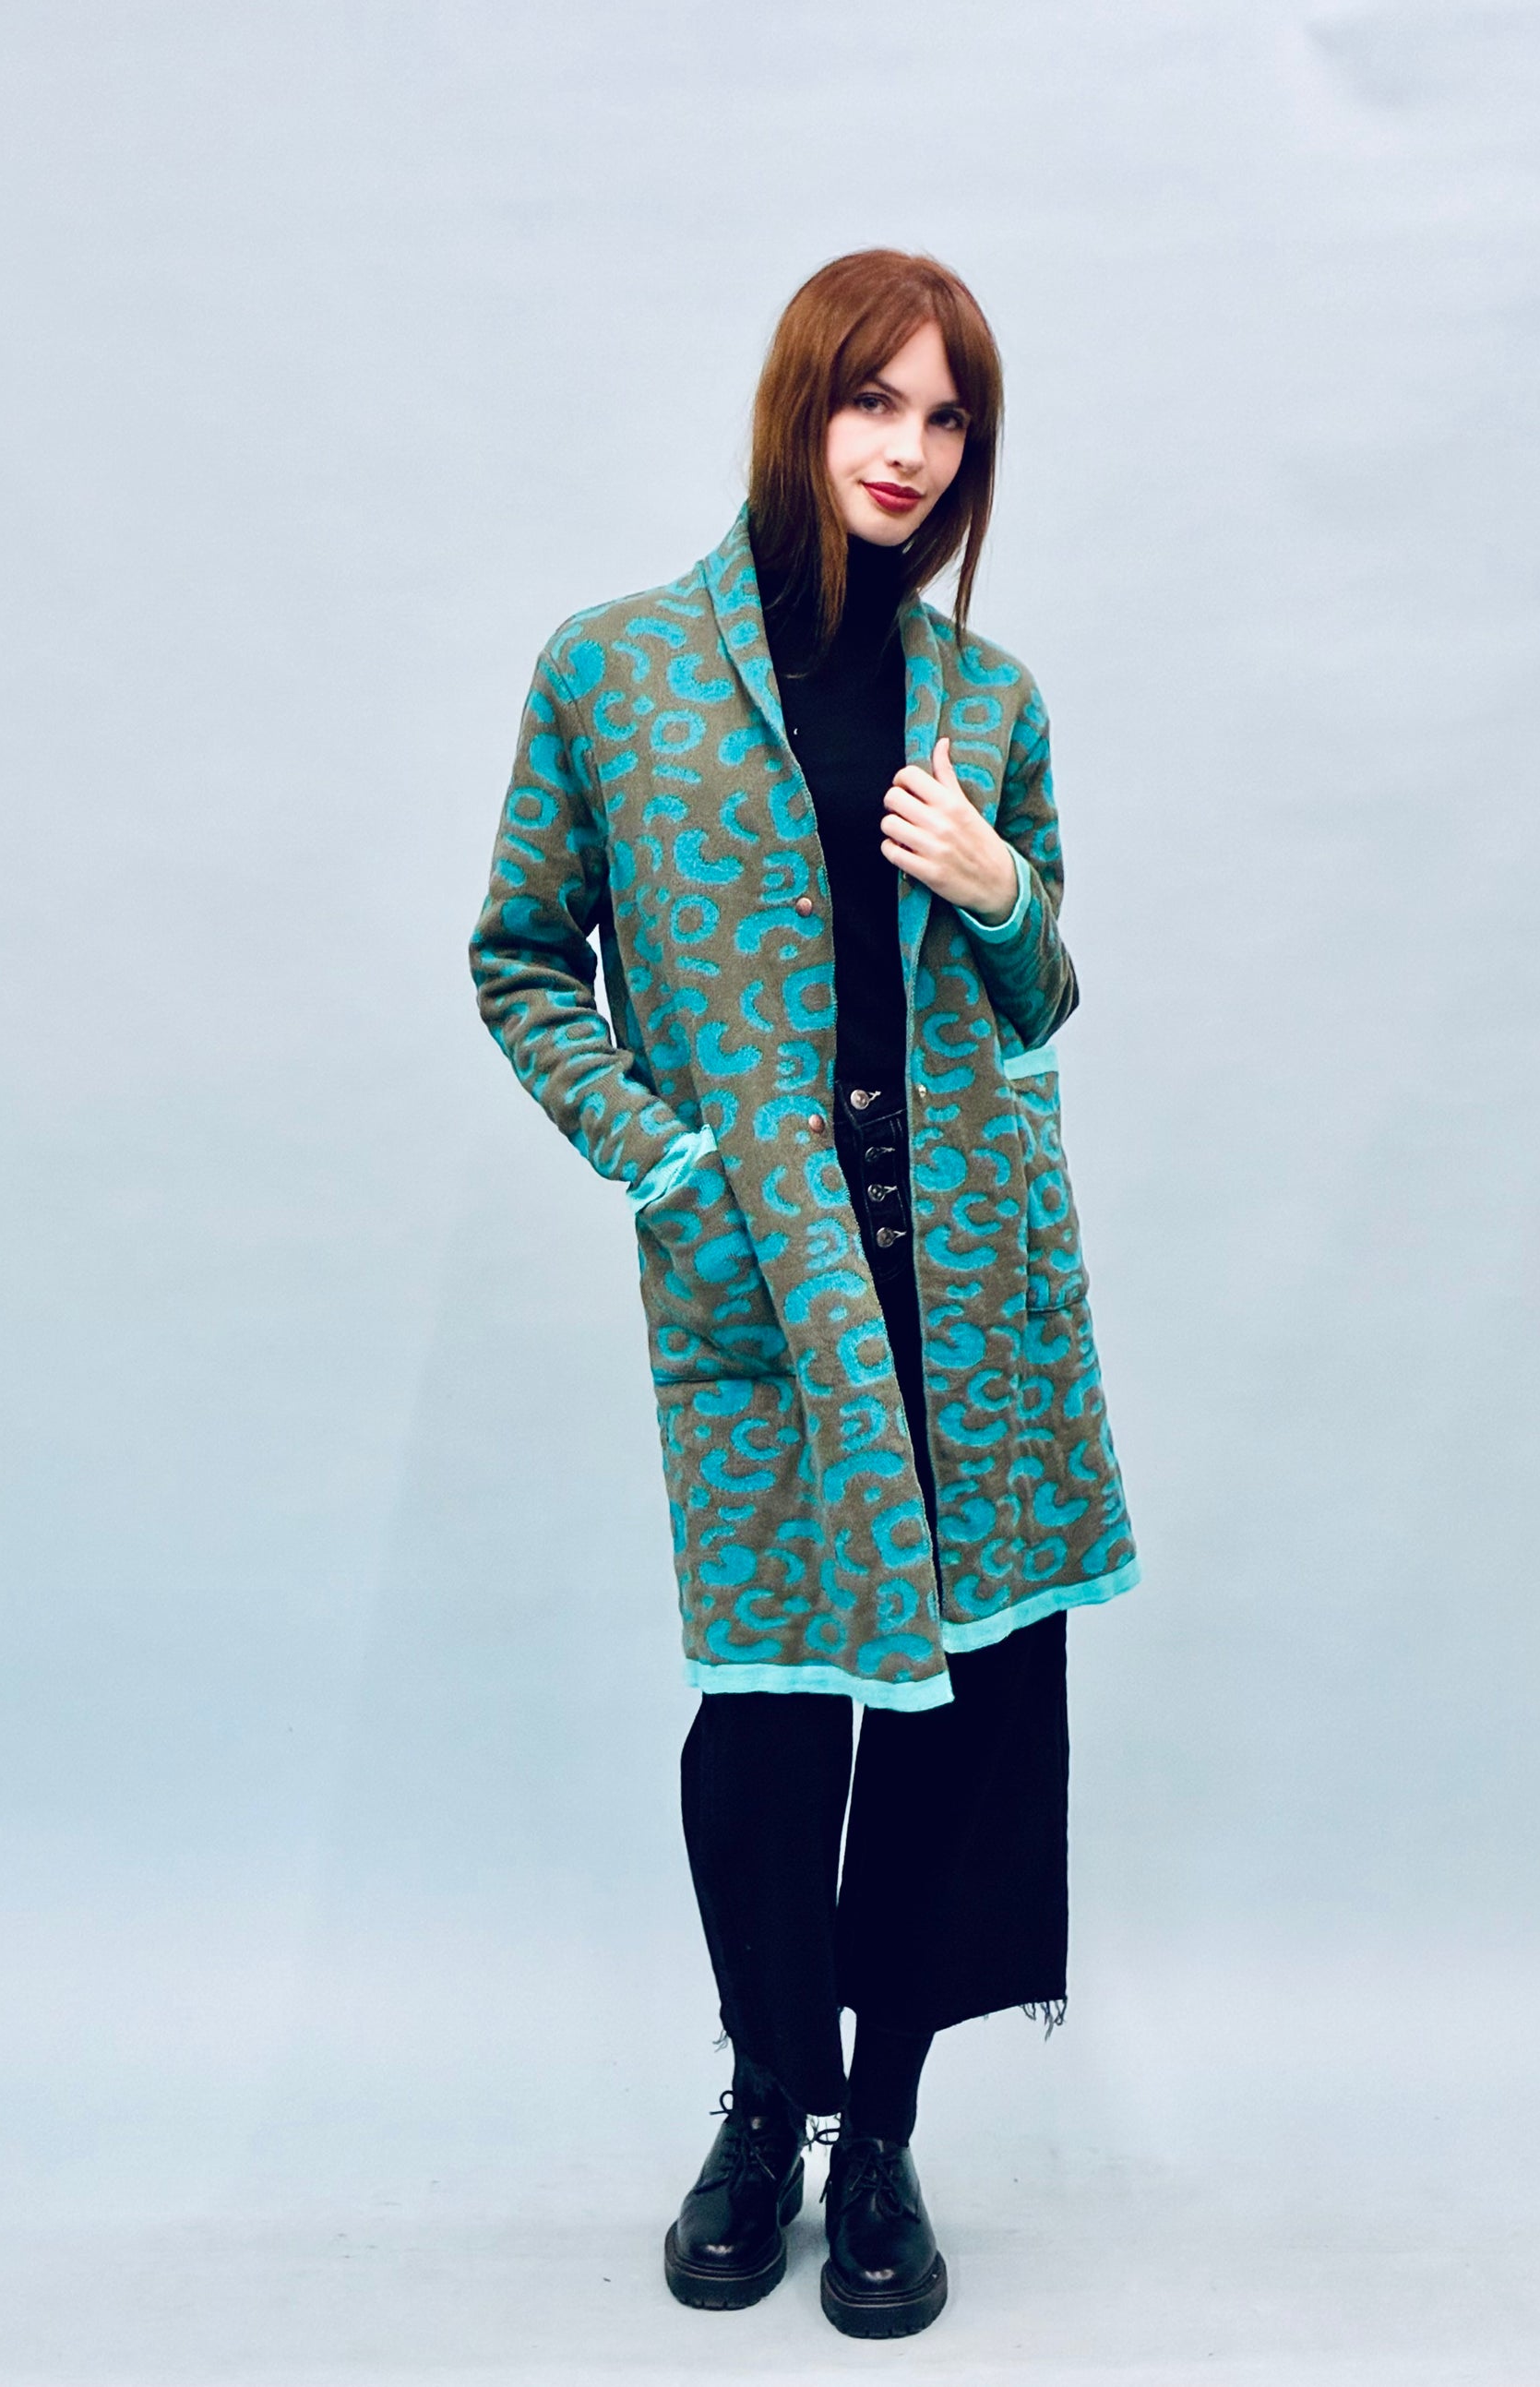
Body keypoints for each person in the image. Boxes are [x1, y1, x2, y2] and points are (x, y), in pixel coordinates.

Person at [469, 248, 1138, 2341]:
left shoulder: (987, 701)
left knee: (942, 1713)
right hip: (764, 1274)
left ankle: (883, 2139)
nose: (908, 451)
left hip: (968, 1268)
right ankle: (769, 2101)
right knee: (769, 1717)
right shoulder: (618, 673)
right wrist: (665, 1163)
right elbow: (521, 959)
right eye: (875, 402)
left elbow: (1038, 998)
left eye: (946, 421)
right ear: (801, 401)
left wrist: (999, 891)